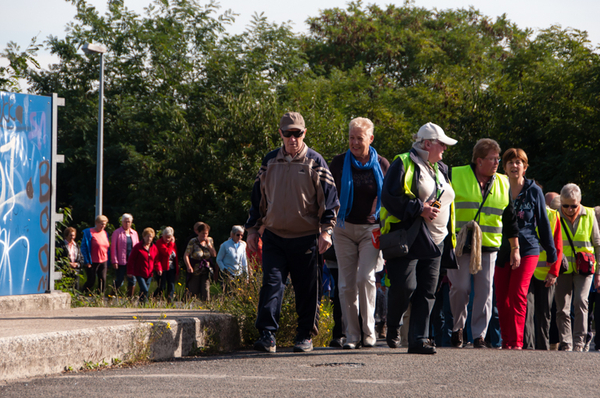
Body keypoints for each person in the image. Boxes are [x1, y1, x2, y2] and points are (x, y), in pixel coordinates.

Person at [246, 111, 339, 353]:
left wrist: (326, 231)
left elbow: (330, 201)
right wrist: (252, 231)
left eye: (297, 134)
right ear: (280, 134)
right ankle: (267, 334)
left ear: (304, 133)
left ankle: (304, 335)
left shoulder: (315, 162)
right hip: (275, 236)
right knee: (271, 283)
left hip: (306, 236)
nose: (292, 138)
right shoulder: (269, 161)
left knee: (307, 288)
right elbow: (257, 200)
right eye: (288, 134)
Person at [380, 122, 457, 354]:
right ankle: (392, 324)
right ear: (427, 144)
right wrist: (419, 208)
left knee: (427, 290)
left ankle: (419, 340)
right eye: (441, 144)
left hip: (437, 239)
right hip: (409, 236)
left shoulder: (441, 168)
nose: (444, 149)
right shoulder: (402, 162)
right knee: (405, 286)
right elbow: (389, 198)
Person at [447, 138, 520, 349]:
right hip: (459, 243)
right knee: (460, 288)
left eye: (498, 158)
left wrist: (515, 248)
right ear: (479, 161)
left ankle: (479, 335)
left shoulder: (503, 182)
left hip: (488, 245)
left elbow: (510, 218)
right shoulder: (455, 175)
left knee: (485, 291)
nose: (497, 162)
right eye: (492, 159)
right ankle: (457, 328)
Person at [329, 117, 389, 349]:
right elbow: (328, 194)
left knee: (365, 277)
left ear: (370, 139)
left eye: (359, 138)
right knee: (346, 285)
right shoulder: (338, 163)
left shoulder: (382, 164)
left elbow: (391, 197)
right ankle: (352, 335)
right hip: (343, 228)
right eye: (351, 138)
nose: (354, 143)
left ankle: (369, 331)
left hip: (370, 229)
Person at [494, 149, 557, 350]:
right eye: (510, 162)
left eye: (518, 162)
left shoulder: (533, 190)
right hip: (501, 248)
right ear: (504, 167)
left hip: (529, 248)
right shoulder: (498, 187)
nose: (514, 165)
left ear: (525, 167)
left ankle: (517, 343)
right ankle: (507, 341)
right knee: (501, 298)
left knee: (517, 294)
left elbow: (544, 223)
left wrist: (552, 254)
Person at [554, 183, 600, 351]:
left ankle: (579, 343)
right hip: (562, 267)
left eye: (574, 205)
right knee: (562, 307)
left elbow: (598, 244)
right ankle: (566, 343)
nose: (569, 209)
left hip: (585, 268)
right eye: (565, 205)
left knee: (581, 301)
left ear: (580, 201)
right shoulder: (555, 215)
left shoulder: (589, 213)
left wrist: (599, 273)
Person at [523, 191, 563, 350]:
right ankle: (528, 348)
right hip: (525, 270)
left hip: (545, 273)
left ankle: (542, 349)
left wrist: (554, 271)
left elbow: (558, 247)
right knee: (527, 311)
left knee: (544, 314)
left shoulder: (552, 215)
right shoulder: (521, 213)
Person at [183, 222, 217, 301]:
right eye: (202, 233)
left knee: (206, 290)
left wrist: (209, 245)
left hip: (206, 270)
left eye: (206, 234)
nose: (204, 236)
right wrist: (189, 266)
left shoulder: (210, 240)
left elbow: (214, 254)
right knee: (193, 290)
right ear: (198, 232)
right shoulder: (193, 241)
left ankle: (206, 307)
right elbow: (186, 255)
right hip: (195, 270)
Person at [110, 213, 139, 297]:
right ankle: (110, 296)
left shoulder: (134, 233)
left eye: (129, 222)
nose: (127, 223)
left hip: (132, 261)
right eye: (125, 221)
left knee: (132, 280)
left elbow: (137, 247)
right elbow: (113, 248)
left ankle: (130, 299)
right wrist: (114, 260)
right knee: (119, 280)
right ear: (122, 222)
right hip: (121, 261)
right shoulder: (117, 232)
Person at [127, 227, 158, 303]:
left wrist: (158, 268)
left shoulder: (154, 248)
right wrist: (130, 271)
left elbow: (157, 260)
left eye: (151, 236)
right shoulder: (137, 247)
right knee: (145, 289)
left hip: (149, 273)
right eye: (147, 236)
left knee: (143, 291)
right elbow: (131, 260)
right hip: (139, 273)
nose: (149, 238)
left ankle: (141, 304)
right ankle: (146, 303)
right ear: (143, 237)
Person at [80, 215, 111, 294]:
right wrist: (86, 261)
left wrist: (108, 262)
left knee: (102, 280)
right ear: (96, 223)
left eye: (104, 224)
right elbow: (84, 248)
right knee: (91, 280)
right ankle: (81, 294)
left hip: (103, 260)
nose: (103, 226)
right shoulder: (89, 233)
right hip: (92, 261)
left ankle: (100, 297)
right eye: (101, 224)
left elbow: (107, 248)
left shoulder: (105, 233)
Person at [154, 227, 179, 302]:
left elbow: (175, 257)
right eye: (166, 237)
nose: (167, 239)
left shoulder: (172, 244)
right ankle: (154, 297)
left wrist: (177, 271)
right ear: (163, 235)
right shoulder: (159, 242)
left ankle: (170, 301)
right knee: (162, 286)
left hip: (171, 268)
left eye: (169, 237)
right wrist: (172, 243)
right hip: (162, 268)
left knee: (171, 286)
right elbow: (167, 253)